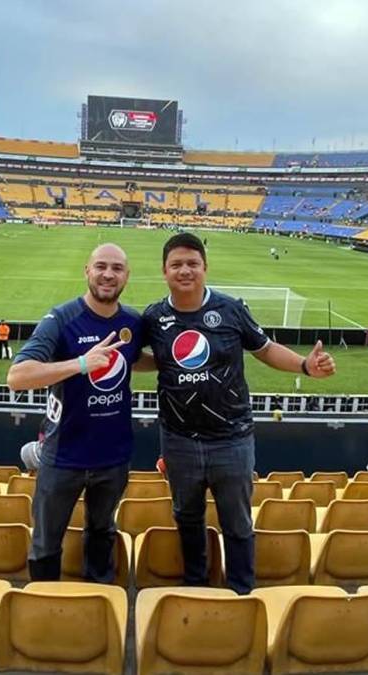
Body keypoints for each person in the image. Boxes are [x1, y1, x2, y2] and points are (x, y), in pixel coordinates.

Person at [140, 232, 335, 594]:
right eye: (176, 264)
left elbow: (265, 349)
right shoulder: (154, 317)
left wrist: (305, 366)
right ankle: (195, 585)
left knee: (238, 522)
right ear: (164, 271)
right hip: (179, 441)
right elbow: (134, 358)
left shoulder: (230, 310)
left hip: (232, 439)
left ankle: (242, 591)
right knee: (186, 517)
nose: (185, 270)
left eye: (192, 264)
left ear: (205, 268)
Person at [7, 243, 142, 583]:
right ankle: (45, 607)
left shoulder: (133, 322)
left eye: (116, 268)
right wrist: (81, 363)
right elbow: (17, 377)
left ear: (127, 276)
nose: (108, 274)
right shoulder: (61, 319)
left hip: (112, 458)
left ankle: (98, 605)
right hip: (62, 457)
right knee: (46, 543)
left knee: (102, 533)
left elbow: (135, 359)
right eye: (100, 266)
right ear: (87, 271)